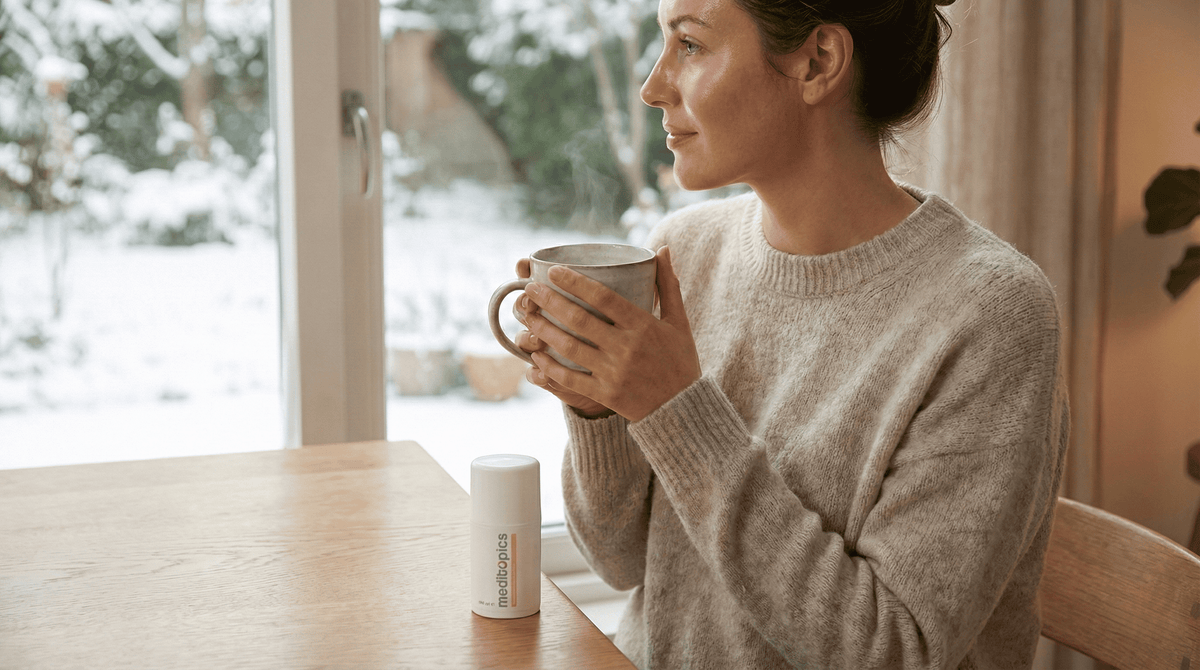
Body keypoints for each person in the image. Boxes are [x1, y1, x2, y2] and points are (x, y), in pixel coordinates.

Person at [512, 0, 1069, 667]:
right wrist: (599, 402)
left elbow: (893, 651)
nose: (653, 86)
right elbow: (621, 560)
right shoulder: (684, 253)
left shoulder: (990, 314)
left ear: (817, 62)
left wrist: (675, 411)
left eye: (689, 45)